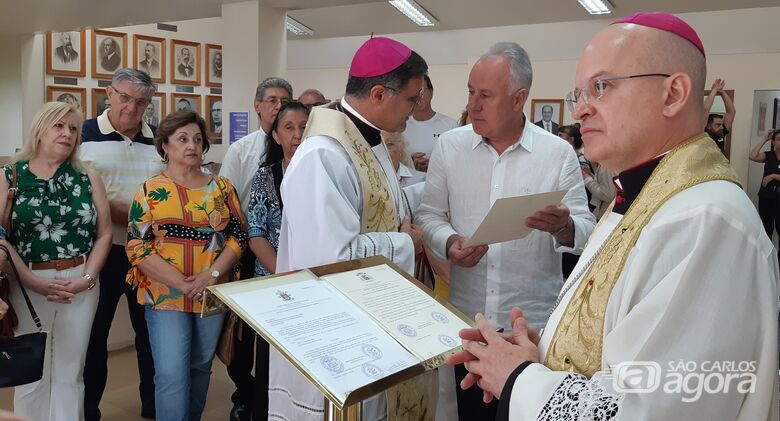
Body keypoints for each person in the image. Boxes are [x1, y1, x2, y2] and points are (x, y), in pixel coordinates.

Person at [448, 12, 779, 420]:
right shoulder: (640, 197)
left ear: (673, 94)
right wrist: (545, 351)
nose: (581, 109)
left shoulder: (705, 221)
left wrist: (519, 378)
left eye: (601, 87)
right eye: (579, 94)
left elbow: (652, 410)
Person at [416, 41, 595, 420]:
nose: (474, 104)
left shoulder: (556, 153)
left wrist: (563, 229)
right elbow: (429, 214)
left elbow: (586, 230)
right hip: (469, 326)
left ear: (519, 99)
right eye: (470, 91)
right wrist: (450, 242)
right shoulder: (450, 147)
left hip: (530, 329)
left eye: (485, 95)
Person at [271, 36, 427, 421]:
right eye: (412, 98)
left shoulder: (367, 144)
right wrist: (405, 243)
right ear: (378, 94)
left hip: (369, 324)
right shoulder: (323, 153)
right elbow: (330, 261)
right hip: (331, 335)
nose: (418, 108)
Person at [126, 110, 246, 421]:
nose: (191, 145)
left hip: (211, 293)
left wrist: (211, 275)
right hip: (164, 295)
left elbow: (238, 236)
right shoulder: (150, 190)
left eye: (197, 139)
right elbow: (137, 246)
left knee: (200, 366)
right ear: (164, 145)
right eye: (182, 139)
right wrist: (182, 283)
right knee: (170, 374)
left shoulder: (222, 188)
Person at [0, 101, 112, 421]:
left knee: (69, 372)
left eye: (74, 129)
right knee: (30, 373)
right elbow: (0, 239)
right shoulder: (10, 176)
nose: (67, 134)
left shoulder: (88, 176)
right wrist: (34, 282)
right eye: (59, 126)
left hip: (80, 281)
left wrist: (87, 279)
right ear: (39, 131)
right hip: (26, 281)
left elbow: (104, 234)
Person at [81, 68, 163, 421]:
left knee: (150, 337)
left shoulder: (159, 139)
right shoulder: (83, 133)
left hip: (148, 256)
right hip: (101, 255)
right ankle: (88, 411)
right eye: (125, 97)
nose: (132, 107)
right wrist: (124, 216)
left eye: (141, 101)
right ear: (109, 94)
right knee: (93, 338)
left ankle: (153, 408)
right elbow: (79, 194)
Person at [219, 76, 292, 421]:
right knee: (243, 330)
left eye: (284, 100)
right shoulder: (242, 150)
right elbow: (227, 199)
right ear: (258, 106)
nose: (278, 105)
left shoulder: (301, 150)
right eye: (272, 100)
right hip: (248, 248)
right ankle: (244, 392)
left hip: (286, 250)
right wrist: (249, 237)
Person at [246, 101, 309, 277]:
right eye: (289, 128)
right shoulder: (264, 176)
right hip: (272, 275)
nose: (298, 134)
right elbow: (256, 234)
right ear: (276, 136)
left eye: (304, 127)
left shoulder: (324, 174)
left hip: (316, 272)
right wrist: (286, 275)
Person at [402, 75, 457, 181]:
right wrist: (412, 164)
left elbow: (458, 162)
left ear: (431, 93)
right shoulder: (401, 126)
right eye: (413, 92)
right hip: (410, 187)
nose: (418, 97)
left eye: (422, 91)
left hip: (442, 185)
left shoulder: (450, 125)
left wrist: (433, 166)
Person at [749, 129, 780, 258]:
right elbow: (752, 156)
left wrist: (774, 176)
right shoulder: (769, 156)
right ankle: (766, 260)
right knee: (766, 231)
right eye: (778, 139)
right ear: (773, 142)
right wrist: (764, 139)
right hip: (766, 198)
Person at [704, 78, 735, 155]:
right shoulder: (702, 133)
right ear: (708, 126)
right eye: (718, 125)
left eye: (721, 124)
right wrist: (714, 91)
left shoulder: (721, 132)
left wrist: (722, 93)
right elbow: (704, 111)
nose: (721, 127)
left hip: (720, 166)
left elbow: (731, 112)